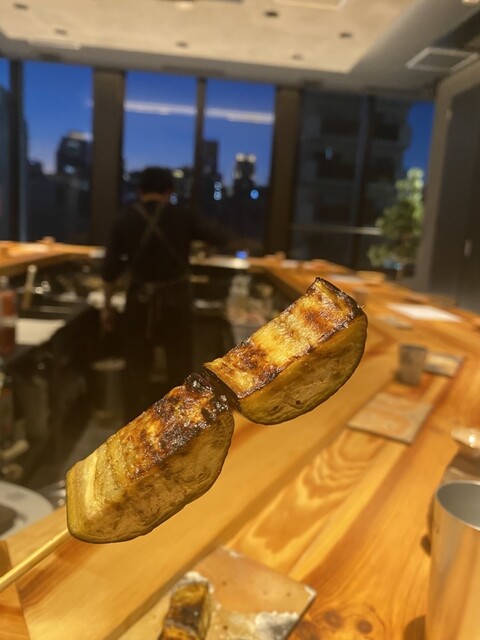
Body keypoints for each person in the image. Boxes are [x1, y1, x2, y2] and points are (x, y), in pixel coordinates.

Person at [101, 166, 232, 421]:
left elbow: (109, 272)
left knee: (136, 368)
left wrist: (107, 309)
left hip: (139, 302)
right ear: (169, 191)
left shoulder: (125, 219)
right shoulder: (183, 216)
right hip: (176, 301)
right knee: (179, 367)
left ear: (140, 191)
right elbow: (222, 238)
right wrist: (201, 247)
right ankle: (179, 425)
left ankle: (134, 427)